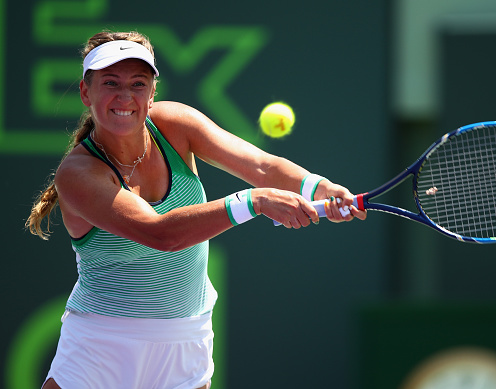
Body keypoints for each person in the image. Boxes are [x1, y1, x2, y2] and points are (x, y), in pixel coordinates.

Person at [26, 30, 366, 389]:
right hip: (102, 344)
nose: (124, 96)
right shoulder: (78, 174)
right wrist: (254, 201)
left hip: (186, 339)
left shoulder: (176, 124)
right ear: (85, 92)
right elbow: (160, 234)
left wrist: (321, 188)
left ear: (152, 93)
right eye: (110, 82)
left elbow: (262, 166)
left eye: (138, 84)